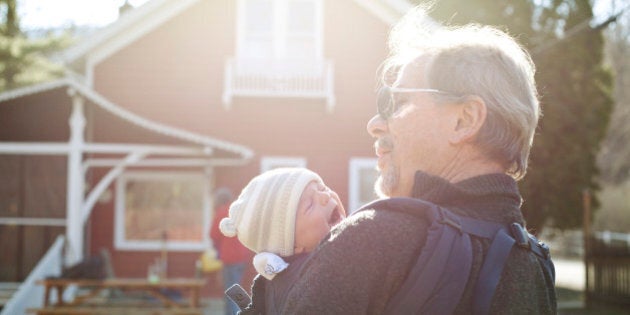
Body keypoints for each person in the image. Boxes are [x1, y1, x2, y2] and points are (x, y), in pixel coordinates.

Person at [281, 7, 557, 315]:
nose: (375, 123)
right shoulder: (535, 264)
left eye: (396, 101)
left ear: (464, 120)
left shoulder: (370, 242)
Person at [218, 167, 346, 314]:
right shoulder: (314, 280)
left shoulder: (271, 282)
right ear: (292, 244)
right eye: (309, 205)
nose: (325, 196)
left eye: (323, 188)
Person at [210, 188, 252, 315]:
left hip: (229, 257)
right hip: (242, 256)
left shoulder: (221, 212)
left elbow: (213, 234)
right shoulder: (239, 212)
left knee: (231, 290)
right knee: (236, 289)